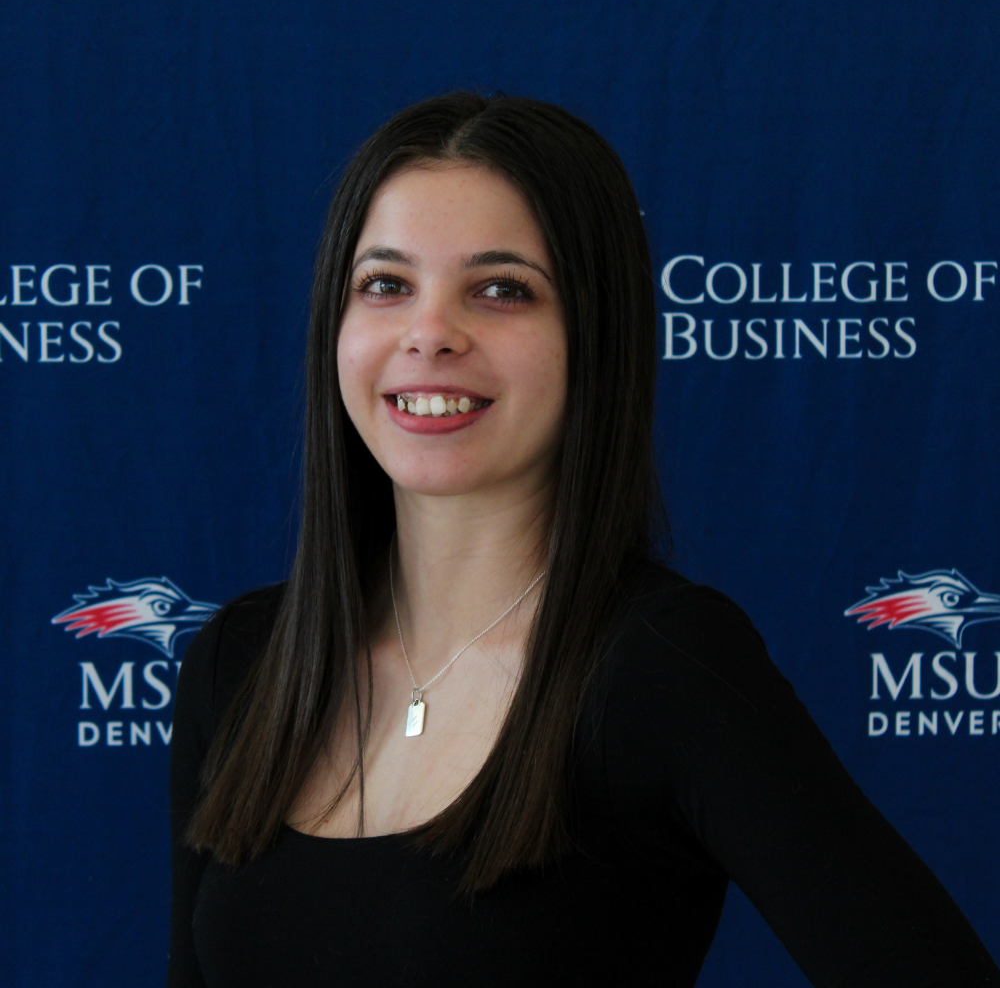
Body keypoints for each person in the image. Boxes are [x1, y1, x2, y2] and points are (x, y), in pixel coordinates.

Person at [167, 92, 999, 988]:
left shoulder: (659, 670)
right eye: (385, 284)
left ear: (594, 334)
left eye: (501, 289)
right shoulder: (238, 665)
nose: (430, 333)